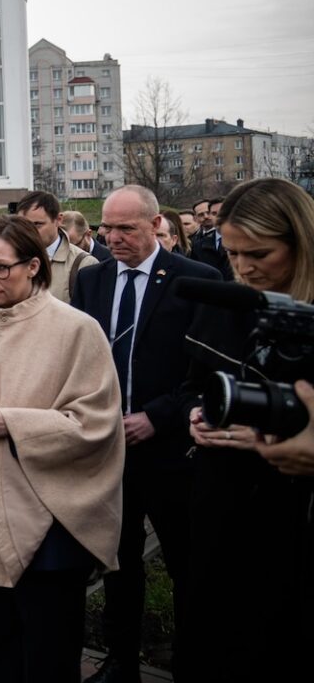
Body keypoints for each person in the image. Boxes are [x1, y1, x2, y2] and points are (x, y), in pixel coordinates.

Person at [0, 216, 125, 683]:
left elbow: (95, 423)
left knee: (47, 654)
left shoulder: (76, 329)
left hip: (46, 519)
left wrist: (10, 423)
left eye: (1, 268)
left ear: (34, 266)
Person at [72, 186, 220, 683]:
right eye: (105, 229)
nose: (112, 238)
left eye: (126, 229)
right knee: (118, 560)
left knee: (185, 562)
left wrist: (158, 416)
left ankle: (191, 659)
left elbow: (204, 371)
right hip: (107, 448)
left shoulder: (195, 279)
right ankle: (120, 659)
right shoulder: (91, 281)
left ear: (157, 224)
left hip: (170, 449)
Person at [181, 178, 314, 683]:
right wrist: (198, 413)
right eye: (233, 253)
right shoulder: (228, 302)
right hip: (222, 504)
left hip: (290, 521)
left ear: (301, 243)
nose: (243, 268)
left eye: (259, 253)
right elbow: (194, 383)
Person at [15, 191, 97, 304]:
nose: (29, 232)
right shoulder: (10, 259)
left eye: (37, 225)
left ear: (58, 220)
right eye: (23, 226)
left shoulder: (83, 264)